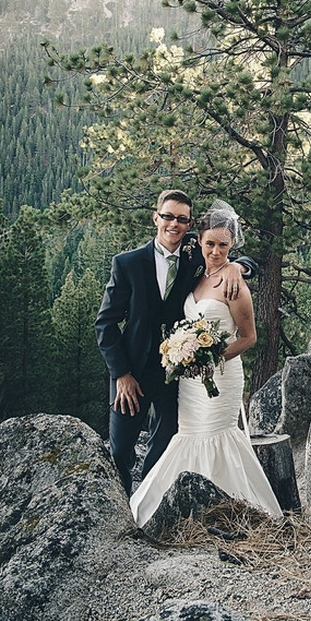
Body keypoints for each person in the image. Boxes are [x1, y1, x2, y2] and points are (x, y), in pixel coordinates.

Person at [130, 200, 282, 526]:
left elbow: (249, 337)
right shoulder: (195, 273)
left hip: (221, 376)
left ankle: (226, 513)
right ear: (198, 241)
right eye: (210, 243)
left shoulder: (234, 282)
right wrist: (183, 356)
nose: (215, 251)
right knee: (189, 434)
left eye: (223, 245)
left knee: (216, 435)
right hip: (190, 380)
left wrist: (212, 358)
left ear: (232, 246)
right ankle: (183, 510)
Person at [95, 189, 253, 496]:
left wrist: (238, 266)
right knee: (120, 450)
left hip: (176, 375)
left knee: (168, 442)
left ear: (189, 223)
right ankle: (122, 513)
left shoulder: (196, 253)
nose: (174, 224)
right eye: (168, 216)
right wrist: (121, 375)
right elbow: (105, 323)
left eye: (181, 219)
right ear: (156, 217)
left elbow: (228, 251)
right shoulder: (126, 263)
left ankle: (152, 504)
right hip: (133, 374)